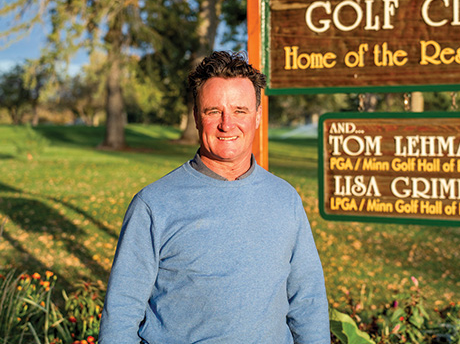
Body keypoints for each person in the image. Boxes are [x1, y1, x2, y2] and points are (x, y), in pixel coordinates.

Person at [98, 51, 330, 344]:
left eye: (240, 111)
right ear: (197, 117)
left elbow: (308, 302)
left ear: (258, 116)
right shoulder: (154, 205)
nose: (227, 124)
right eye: (213, 111)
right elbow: (120, 315)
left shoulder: (285, 199)